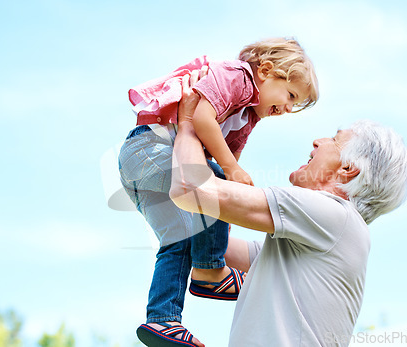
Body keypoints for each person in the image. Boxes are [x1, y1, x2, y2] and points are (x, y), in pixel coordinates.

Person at [169, 77, 407, 346]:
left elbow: (189, 188)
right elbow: (206, 244)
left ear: (347, 169)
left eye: (334, 139)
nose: (318, 141)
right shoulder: (316, 239)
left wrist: (189, 123)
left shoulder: (333, 214)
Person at [119, 37, 319, 346]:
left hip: (151, 168)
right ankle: (209, 270)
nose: (289, 107)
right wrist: (231, 170)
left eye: (295, 105)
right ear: (265, 71)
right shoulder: (237, 76)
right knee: (213, 181)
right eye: (290, 95)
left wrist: (230, 173)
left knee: (182, 235)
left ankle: (162, 320)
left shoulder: (248, 118)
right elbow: (201, 118)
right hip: (149, 149)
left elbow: (224, 167)